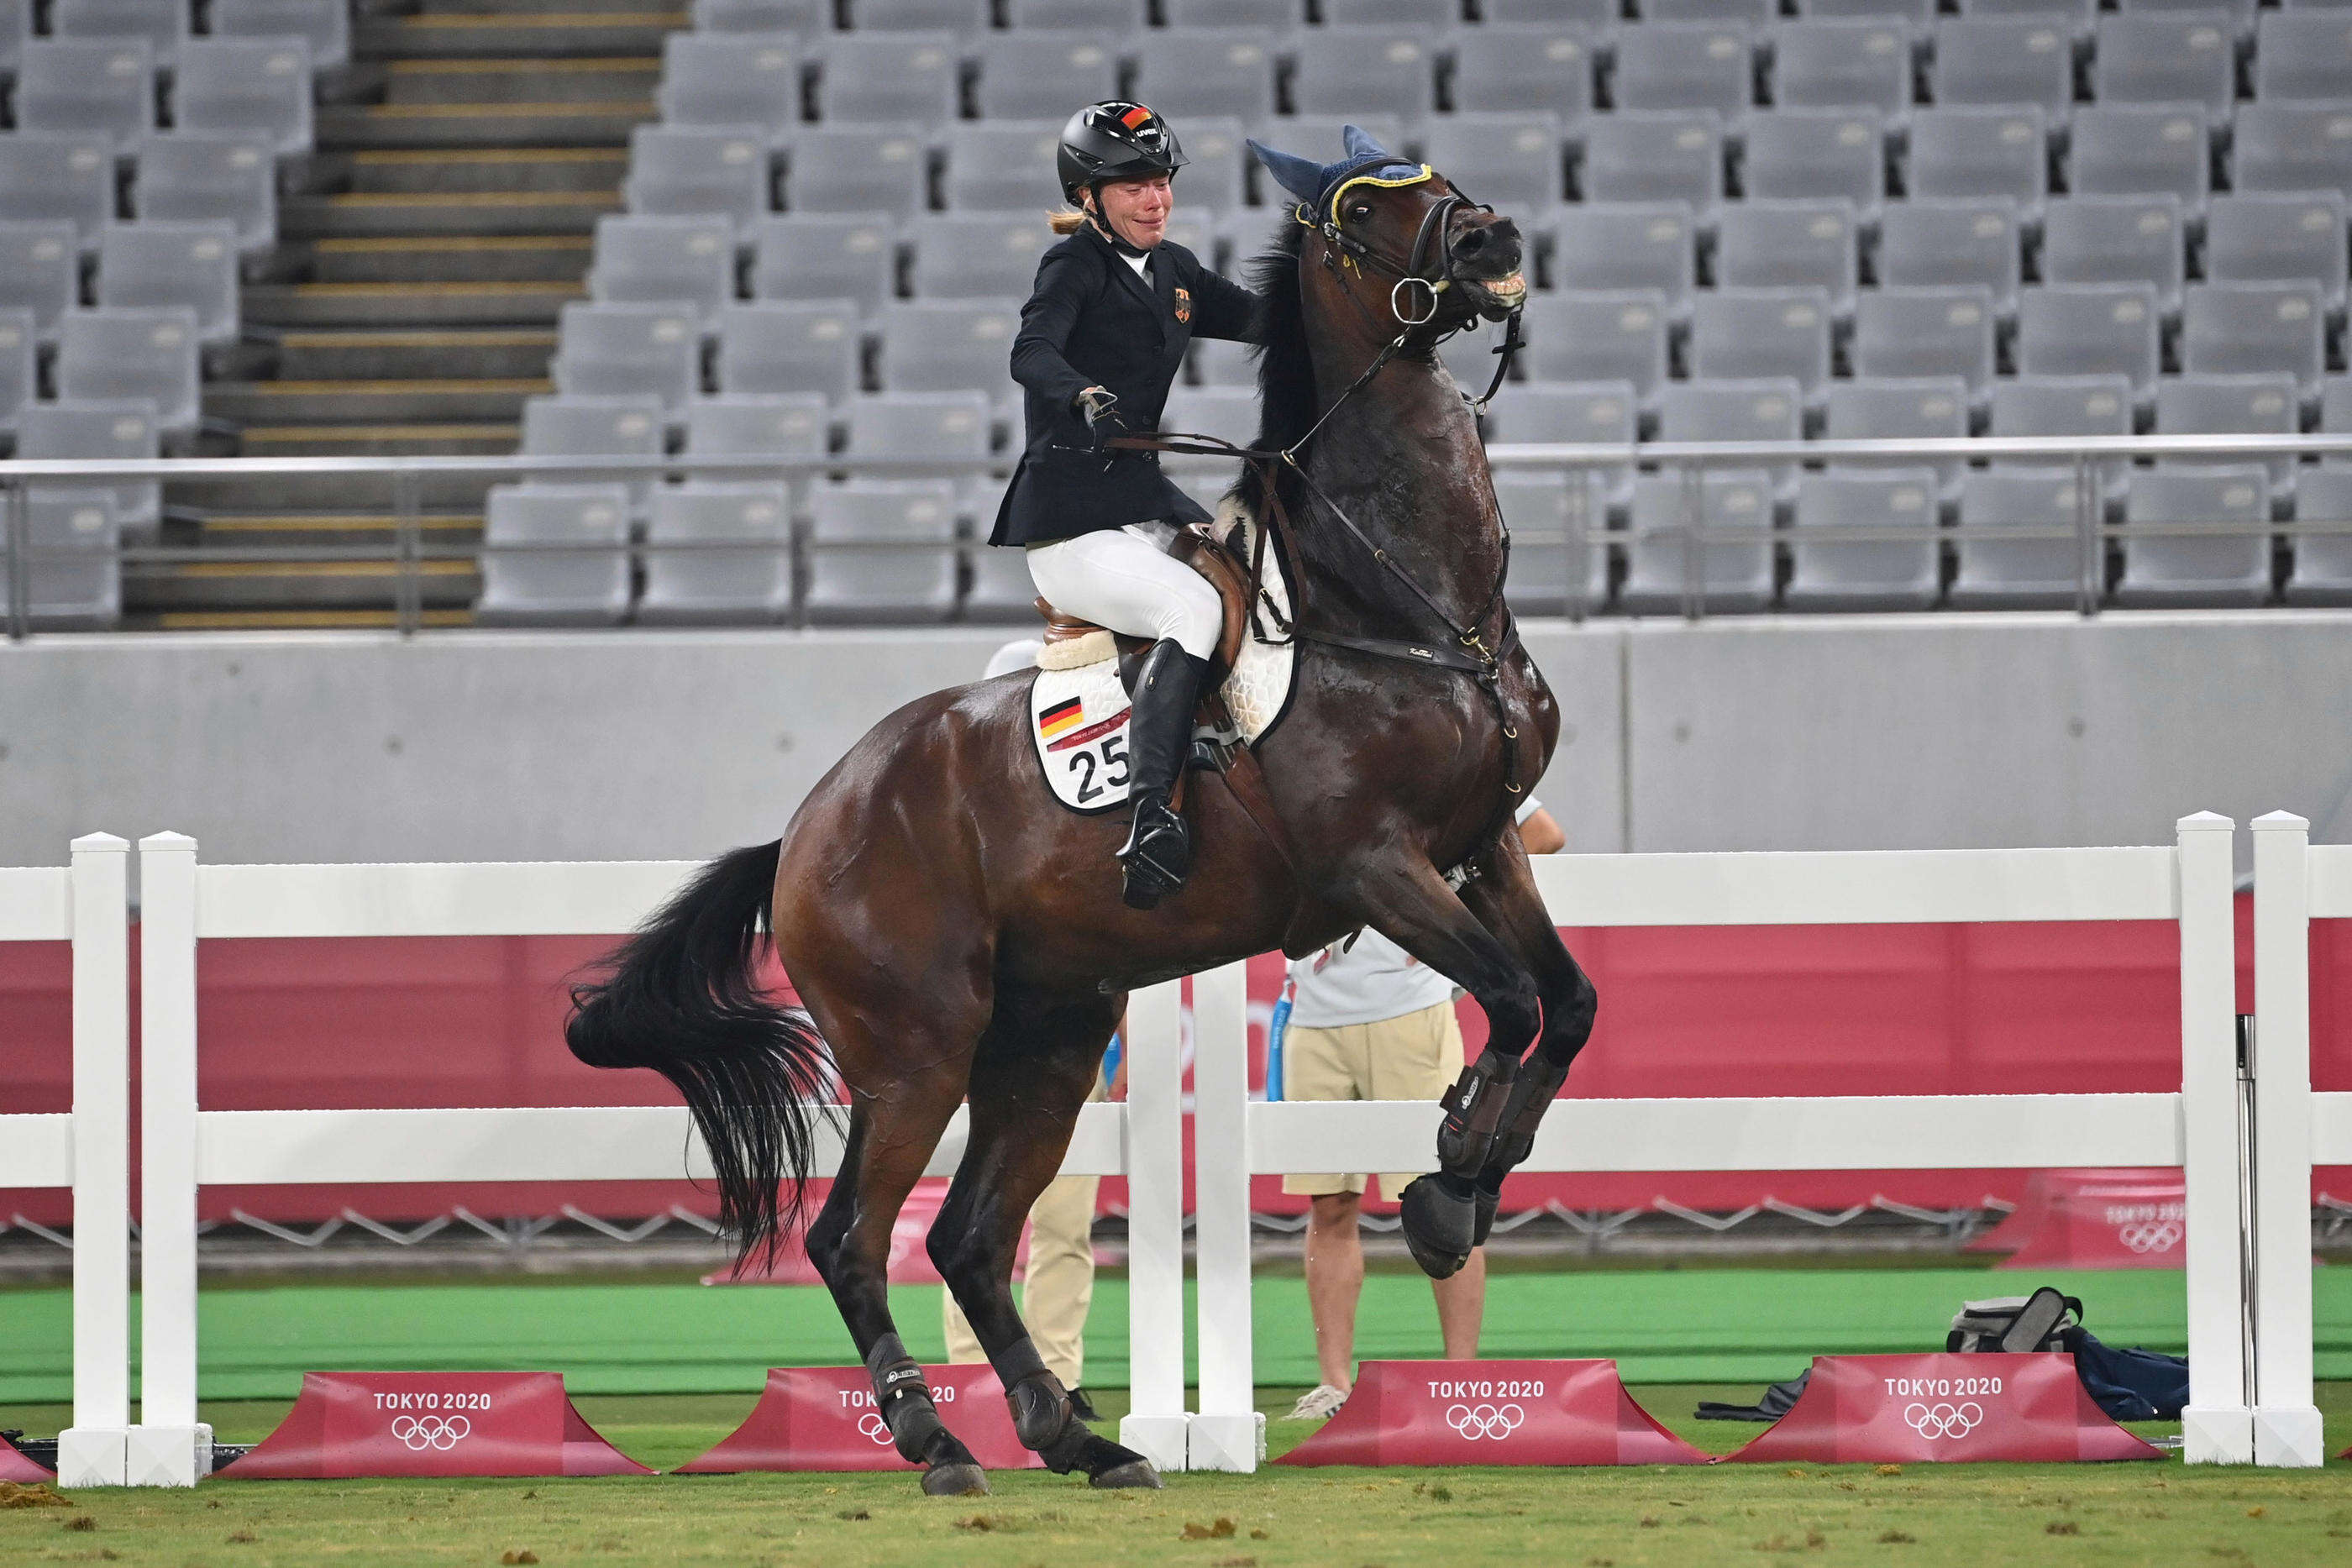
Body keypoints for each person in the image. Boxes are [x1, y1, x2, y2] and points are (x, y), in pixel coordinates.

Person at [989, 100, 1265, 910]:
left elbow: (1262, 319)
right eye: (1137, 185)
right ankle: (1151, 816)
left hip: (1142, 503)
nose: (1158, 198)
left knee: (1254, 576)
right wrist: (1081, 393)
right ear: (1090, 199)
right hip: (1072, 523)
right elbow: (1030, 349)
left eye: (1163, 180)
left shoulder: (1173, 269)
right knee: (1191, 610)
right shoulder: (1072, 267)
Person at [1280, 799, 1567, 1422]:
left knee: (1447, 1197)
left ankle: (1459, 1382)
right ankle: (1332, 1386)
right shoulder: (1296, 751)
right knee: (1329, 1204)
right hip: (1312, 1014)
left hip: (1413, 1009)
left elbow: (1541, 833)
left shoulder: (1429, 745)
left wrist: (1454, 928)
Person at [941, 637, 1111, 1418]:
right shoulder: (963, 833)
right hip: (997, 1034)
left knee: (1064, 1218)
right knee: (985, 1206)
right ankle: (977, 1376)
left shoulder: (1081, 824)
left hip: (1074, 1025)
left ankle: (1059, 1379)